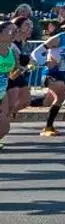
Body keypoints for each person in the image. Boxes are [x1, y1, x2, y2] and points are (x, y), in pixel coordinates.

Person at [0, 19, 19, 150]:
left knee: (5, 127)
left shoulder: (12, 51)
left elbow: (12, 75)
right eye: (10, 31)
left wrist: (24, 69)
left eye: (15, 31)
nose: (14, 34)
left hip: (2, 91)